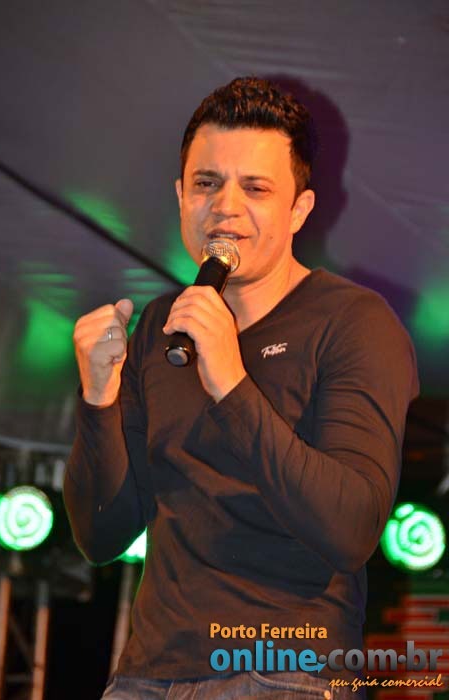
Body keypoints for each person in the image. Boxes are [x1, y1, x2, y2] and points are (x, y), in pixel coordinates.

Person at [63, 77, 419, 699]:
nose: (225, 207)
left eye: (255, 188)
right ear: (181, 196)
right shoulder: (162, 325)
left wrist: (231, 381)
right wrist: (98, 398)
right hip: (148, 674)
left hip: (285, 670)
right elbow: (101, 536)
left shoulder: (353, 322)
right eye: (206, 184)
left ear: (299, 209)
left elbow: (351, 529)